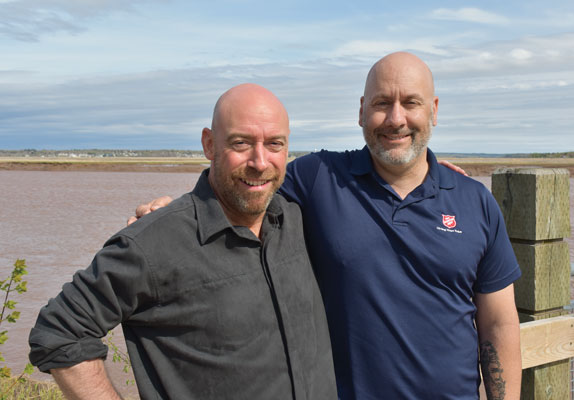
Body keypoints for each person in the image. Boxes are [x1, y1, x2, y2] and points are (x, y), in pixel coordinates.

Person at [132, 52, 523, 399]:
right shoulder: (319, 177)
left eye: (411, 103)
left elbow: (499, 322)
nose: (396, 118)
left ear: (434, 111)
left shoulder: (474, 202)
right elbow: (248, 184)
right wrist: (182, 209)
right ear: (360, 111)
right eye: (382, 103)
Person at [28, 84, 337, 400]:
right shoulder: (153, 244)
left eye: (274, 144)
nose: (259, 162)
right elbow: (60, 332)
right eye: (241, 143)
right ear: (209, 144)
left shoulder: (298, 220)